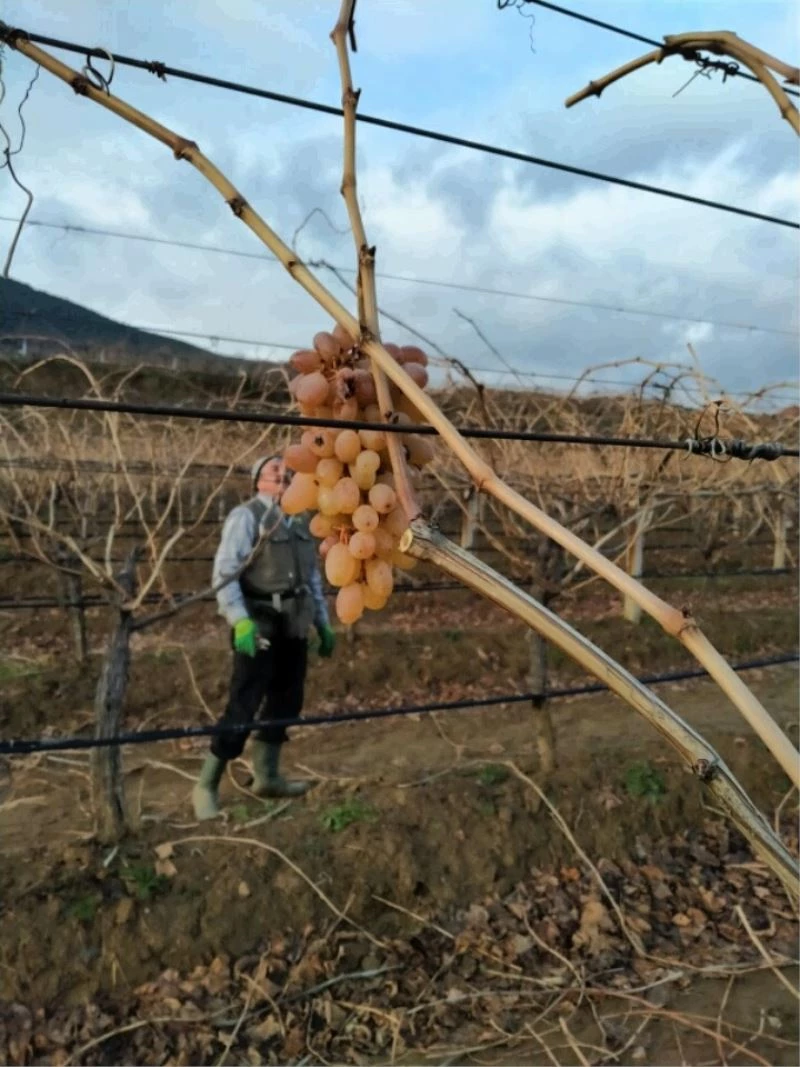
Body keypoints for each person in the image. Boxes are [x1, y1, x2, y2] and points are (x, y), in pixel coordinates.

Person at [192, 454, 336, 820]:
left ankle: (267, 777)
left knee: (287, 699)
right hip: (260, 622)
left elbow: (311, 577)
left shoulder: (301, 521)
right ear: (258, 480)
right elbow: (225, 572)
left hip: (295, 620)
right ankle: (206, 785)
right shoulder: (247, 517)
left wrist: (323, 622)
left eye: (289, 471)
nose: (284, 475)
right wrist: (239, 620)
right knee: (245, 701)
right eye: (275, 471)